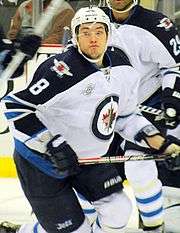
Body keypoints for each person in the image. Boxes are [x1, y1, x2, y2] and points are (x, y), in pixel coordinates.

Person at [2, 6, 180, 233]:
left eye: (99, 31)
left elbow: (126, 116)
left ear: (109, 34)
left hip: (88, 161)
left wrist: (160, 142)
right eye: (85, 32)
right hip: (43, 163)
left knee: (118, 212)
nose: (93, 39)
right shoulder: (61, 70)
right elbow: (16, 107)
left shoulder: (123, 67)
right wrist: (52, 144)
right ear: (75, 37)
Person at [99, 0, 180, 232]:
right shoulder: (93, 22)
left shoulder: (157, 24)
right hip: (108, 107)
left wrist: (172, 101)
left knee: (139, 167)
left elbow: (173, 67)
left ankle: (154, 225)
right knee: (96, 174)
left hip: (147, 105)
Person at [6, 0, 75, 44]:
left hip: (47, 55)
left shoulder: (65, 10)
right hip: (20, 53)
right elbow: (13, 33)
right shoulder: (24, 6)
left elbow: (56, 39)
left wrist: (33, 46)